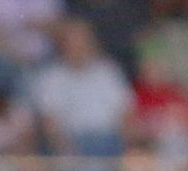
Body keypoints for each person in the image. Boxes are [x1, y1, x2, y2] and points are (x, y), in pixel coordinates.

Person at [29, 19, 132, 155]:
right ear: (63, 46)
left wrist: (127, 149)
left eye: (82, 42)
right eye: (72, 43)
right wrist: (68, 153)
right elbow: (50, 124)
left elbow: (125, 114)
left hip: (109, 141)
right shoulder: (51, 78)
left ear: (92, 44)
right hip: (71, 142)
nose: (78, 48)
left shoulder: (109, 72)